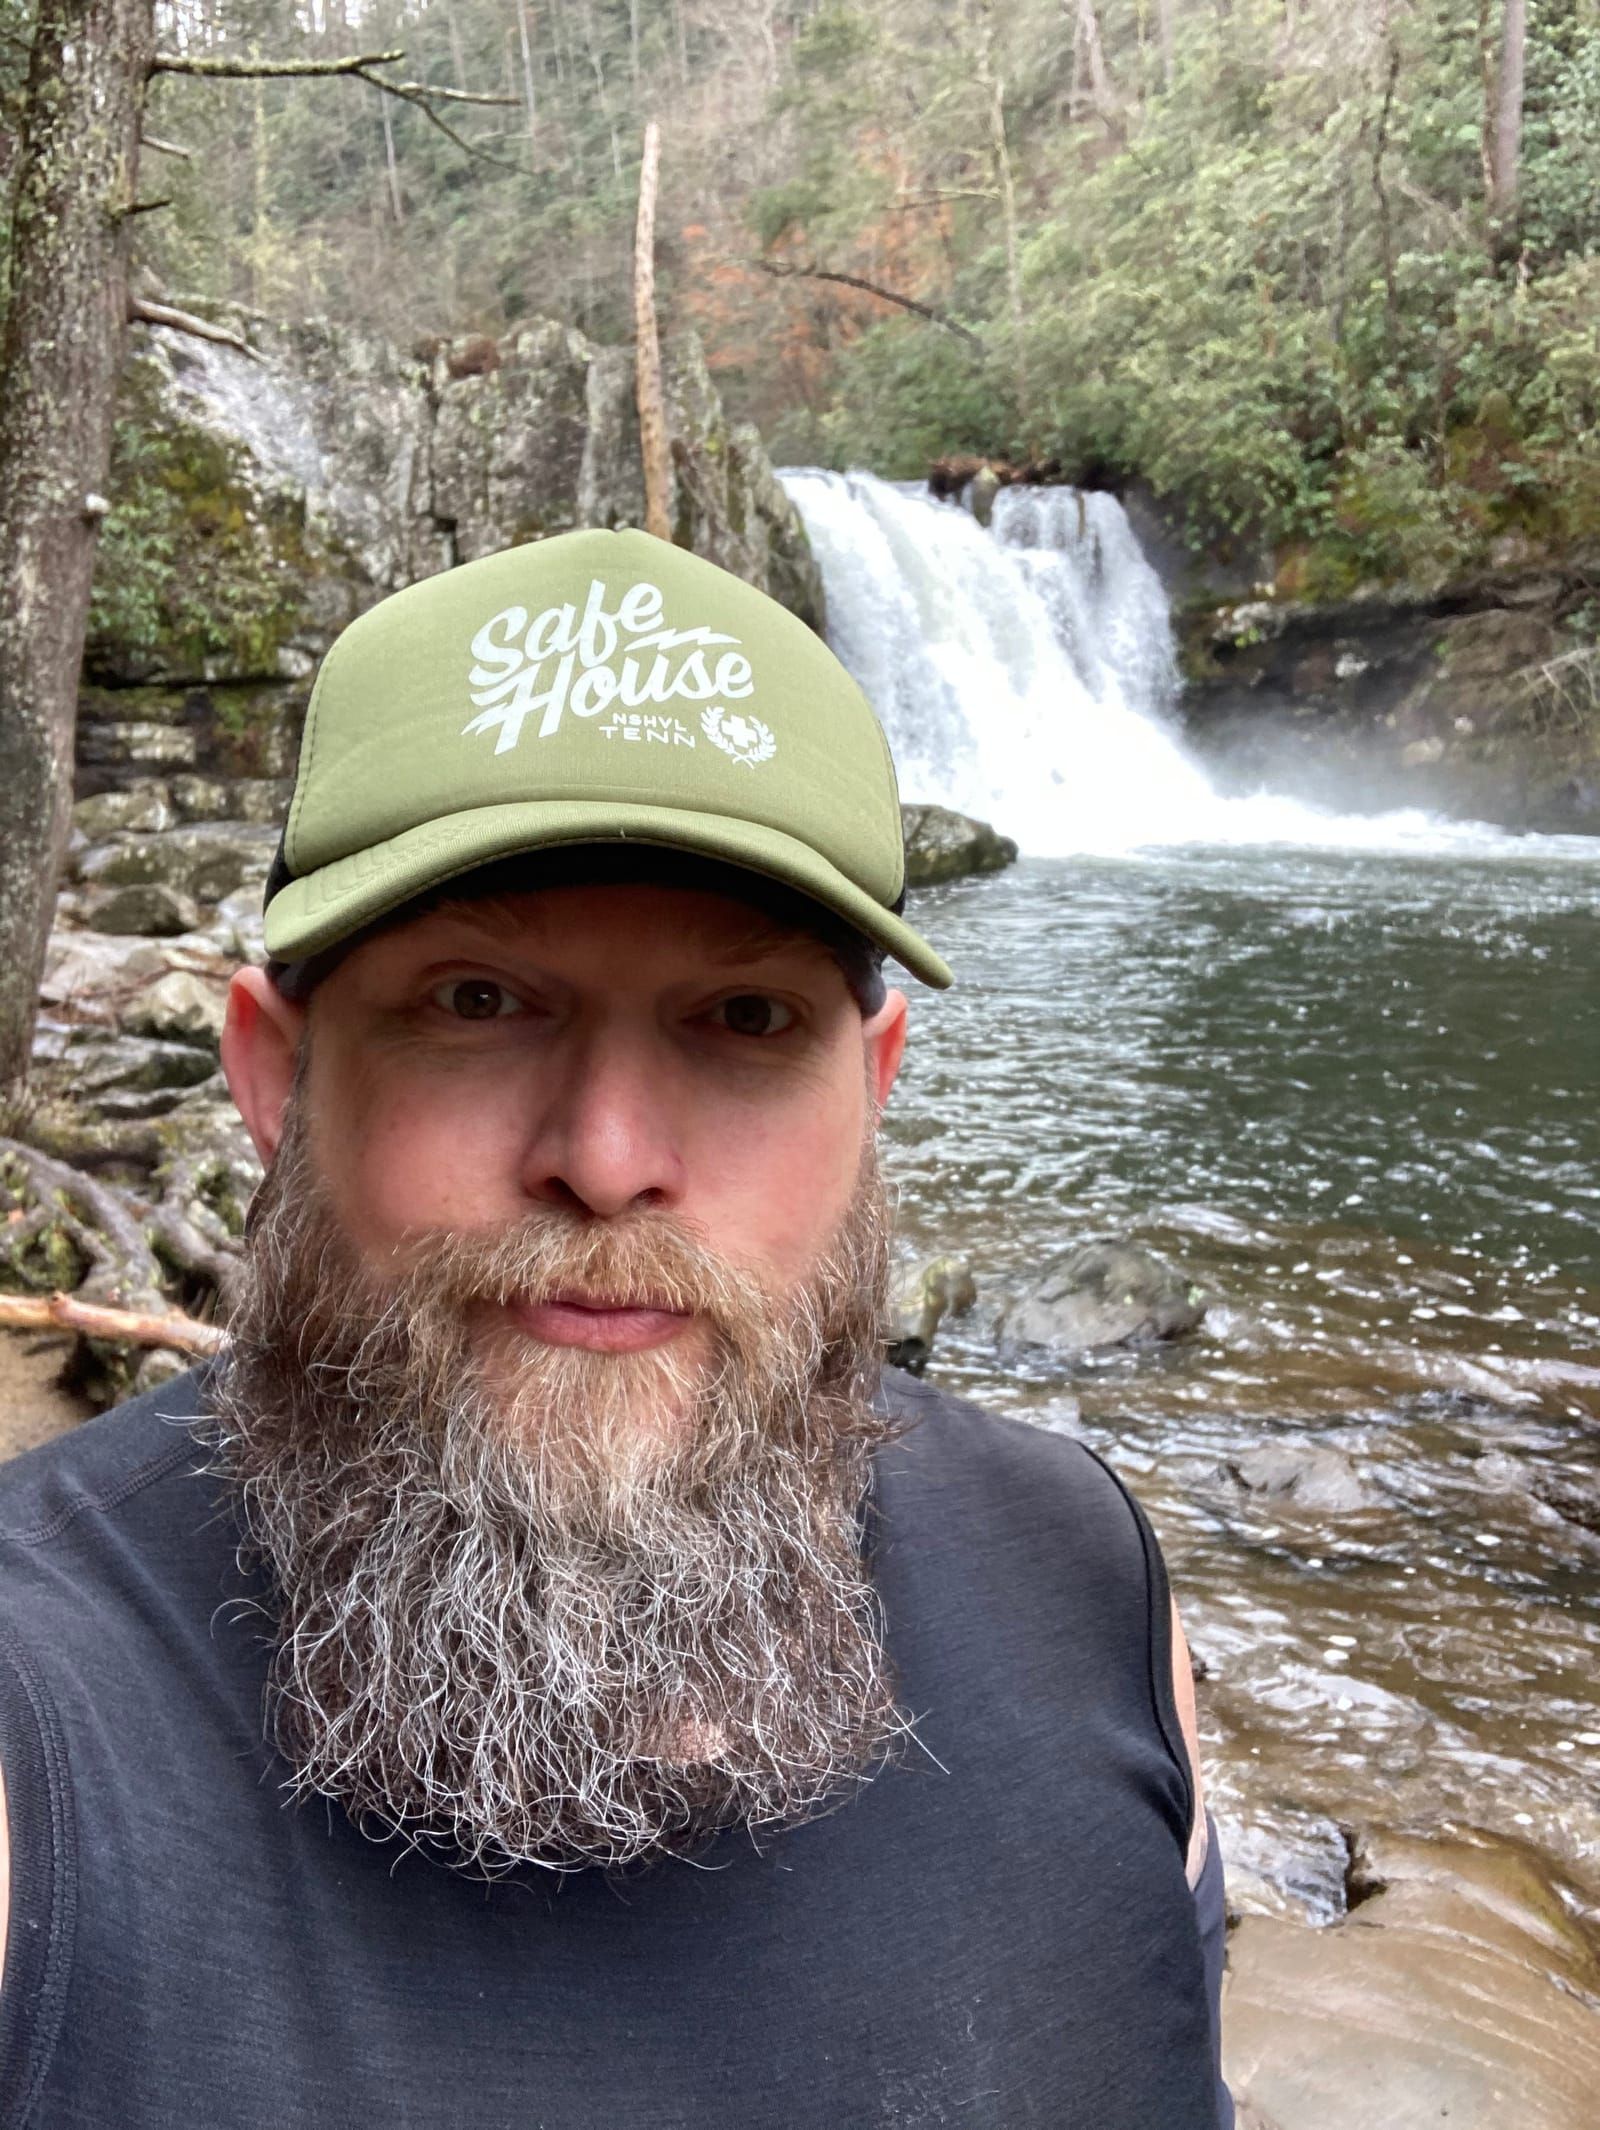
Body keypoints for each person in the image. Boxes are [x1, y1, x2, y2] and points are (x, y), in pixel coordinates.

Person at [0, 529, 1231, 2127]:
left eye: (745, 1018)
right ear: (276, 1077)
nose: (606, 1153)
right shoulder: (38, 1723)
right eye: (478, 1001)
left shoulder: (1090, 1590)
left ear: (872, 1089)